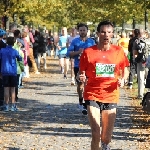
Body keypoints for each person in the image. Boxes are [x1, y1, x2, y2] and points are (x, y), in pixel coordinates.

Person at [79, 20, 129, 150]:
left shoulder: (118, 51)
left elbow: (126, 69)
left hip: (111, 95)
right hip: (92, 94)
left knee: (106, 137)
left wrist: (123, 79)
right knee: (95, 133)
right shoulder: (88, 52)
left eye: (109, 32)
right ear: (98, 33)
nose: (106, 35)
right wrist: (81, 77)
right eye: (103, 32)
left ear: (113, 34)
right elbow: (81, 72)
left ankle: (104, 145)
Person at [67, 23, 95, 114]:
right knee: (81, 85)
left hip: (90, 66)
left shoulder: (92, 42)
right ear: (78, 31)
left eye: (84, 30)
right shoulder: (75, 41)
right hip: (78, 66)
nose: (82, 32)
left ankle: (87, 103)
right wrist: (78, 52)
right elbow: (69, 53)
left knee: (88, 84)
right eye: (81, 30)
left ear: (87, 31)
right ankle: (80, 100)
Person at [0, 35, 22, 111]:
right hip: (13, 72)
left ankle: (6, 105)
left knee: (6, 88)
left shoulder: (2, 51)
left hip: (5, 71)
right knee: (12, 89)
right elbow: (20, 58)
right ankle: (13, 105)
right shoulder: (14, 51)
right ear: (13, 43)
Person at [133, 29, 150, 99]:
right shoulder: (149, 41)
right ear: (145, 33)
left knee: (141, 78)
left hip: (141, 61)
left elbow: (135, 53)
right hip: (148, 61)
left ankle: (140, 95)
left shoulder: (137, 41)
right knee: (148, 77)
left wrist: (135, 60)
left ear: (138, 34)